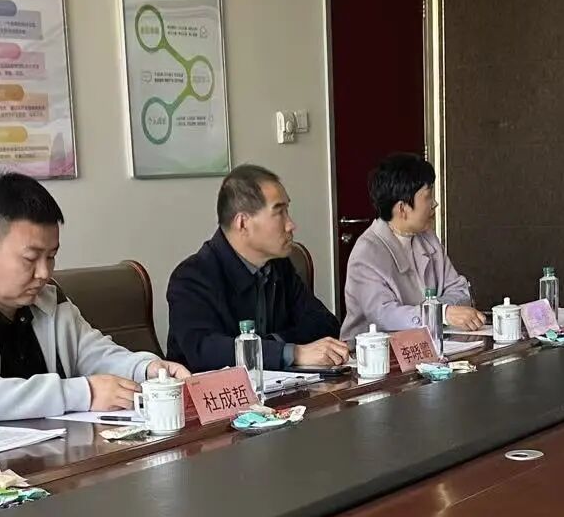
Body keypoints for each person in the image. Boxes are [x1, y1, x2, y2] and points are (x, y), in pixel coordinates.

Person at [0, 172, 187, 433]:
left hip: (31, 457)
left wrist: (147, 370)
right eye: (30, 258)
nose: (44, 273)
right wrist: (82, 393)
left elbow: (93, 353)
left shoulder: (47, 300)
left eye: (51, 256)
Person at [166, 164, 347, 372]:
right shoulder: (191, 277)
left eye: (287, 211)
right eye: (279, 212)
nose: (291, 225)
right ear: (243, 223)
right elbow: (205, 351)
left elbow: (324, 324)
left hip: (281, 387)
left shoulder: (279, 265)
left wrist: (270, 344)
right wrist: (292, 353)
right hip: (215, 392)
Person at [341, 153, 484, 339]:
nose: (435, 203)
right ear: (402, 208)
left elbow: (459, 289)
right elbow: (384, 316)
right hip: (374, 352)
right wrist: (441, 313)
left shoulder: (427, 238)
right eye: (428, 196)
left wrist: (447, 312)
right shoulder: (367, 253)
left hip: (429, 343)